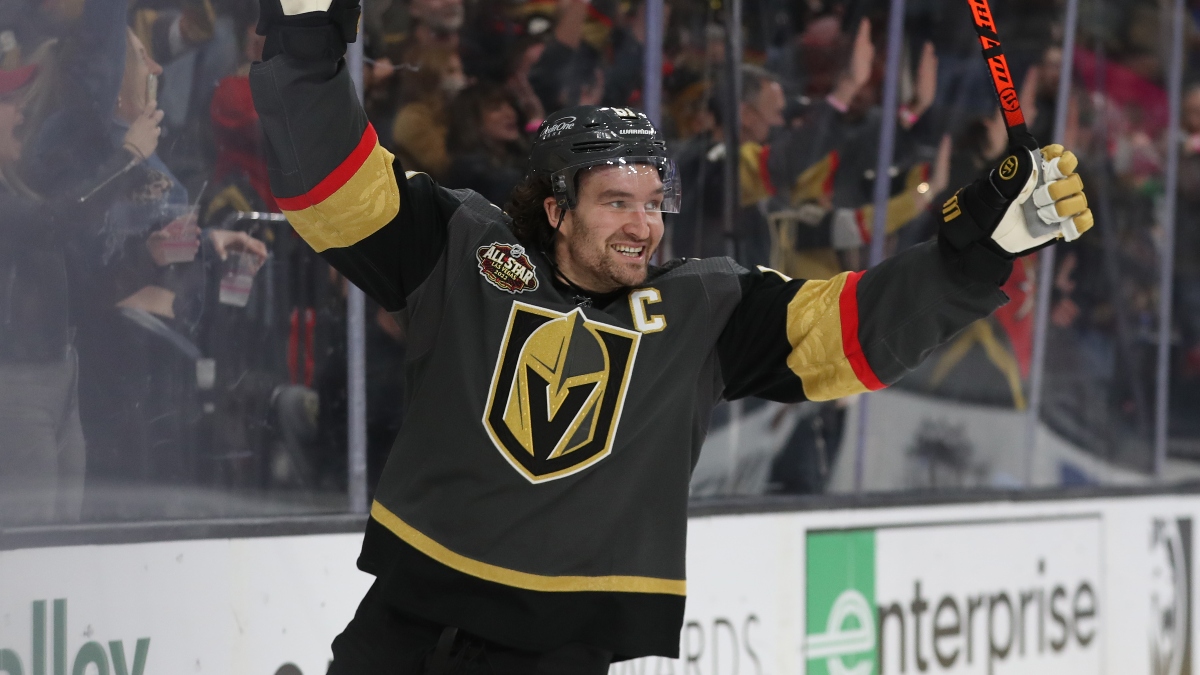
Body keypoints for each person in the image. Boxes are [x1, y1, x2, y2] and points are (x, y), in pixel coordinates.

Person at [249, 0, 1093, 670]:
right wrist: (304, 52)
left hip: (557, 653)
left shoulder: (703, 309)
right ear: (555, 207)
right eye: (618, 201)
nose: (644, 224)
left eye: (654, 203)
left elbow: (851, 334)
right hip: (403, 621)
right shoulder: (468, 252)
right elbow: (336, 191)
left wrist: (974, 249)